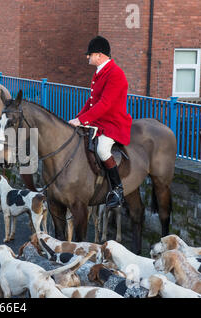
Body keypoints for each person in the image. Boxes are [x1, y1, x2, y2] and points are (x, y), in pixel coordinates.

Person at [68, 36, 132, 209]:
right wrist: (76, 120)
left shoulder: (115, 74)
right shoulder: (100, 71)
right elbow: (91, 102)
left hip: (113, 123)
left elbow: (105, 104)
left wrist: (82, 120)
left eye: (89, 55)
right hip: (99, 120)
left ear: (99, 55)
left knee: (102, 149)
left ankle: (117, 190)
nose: (87, 57)